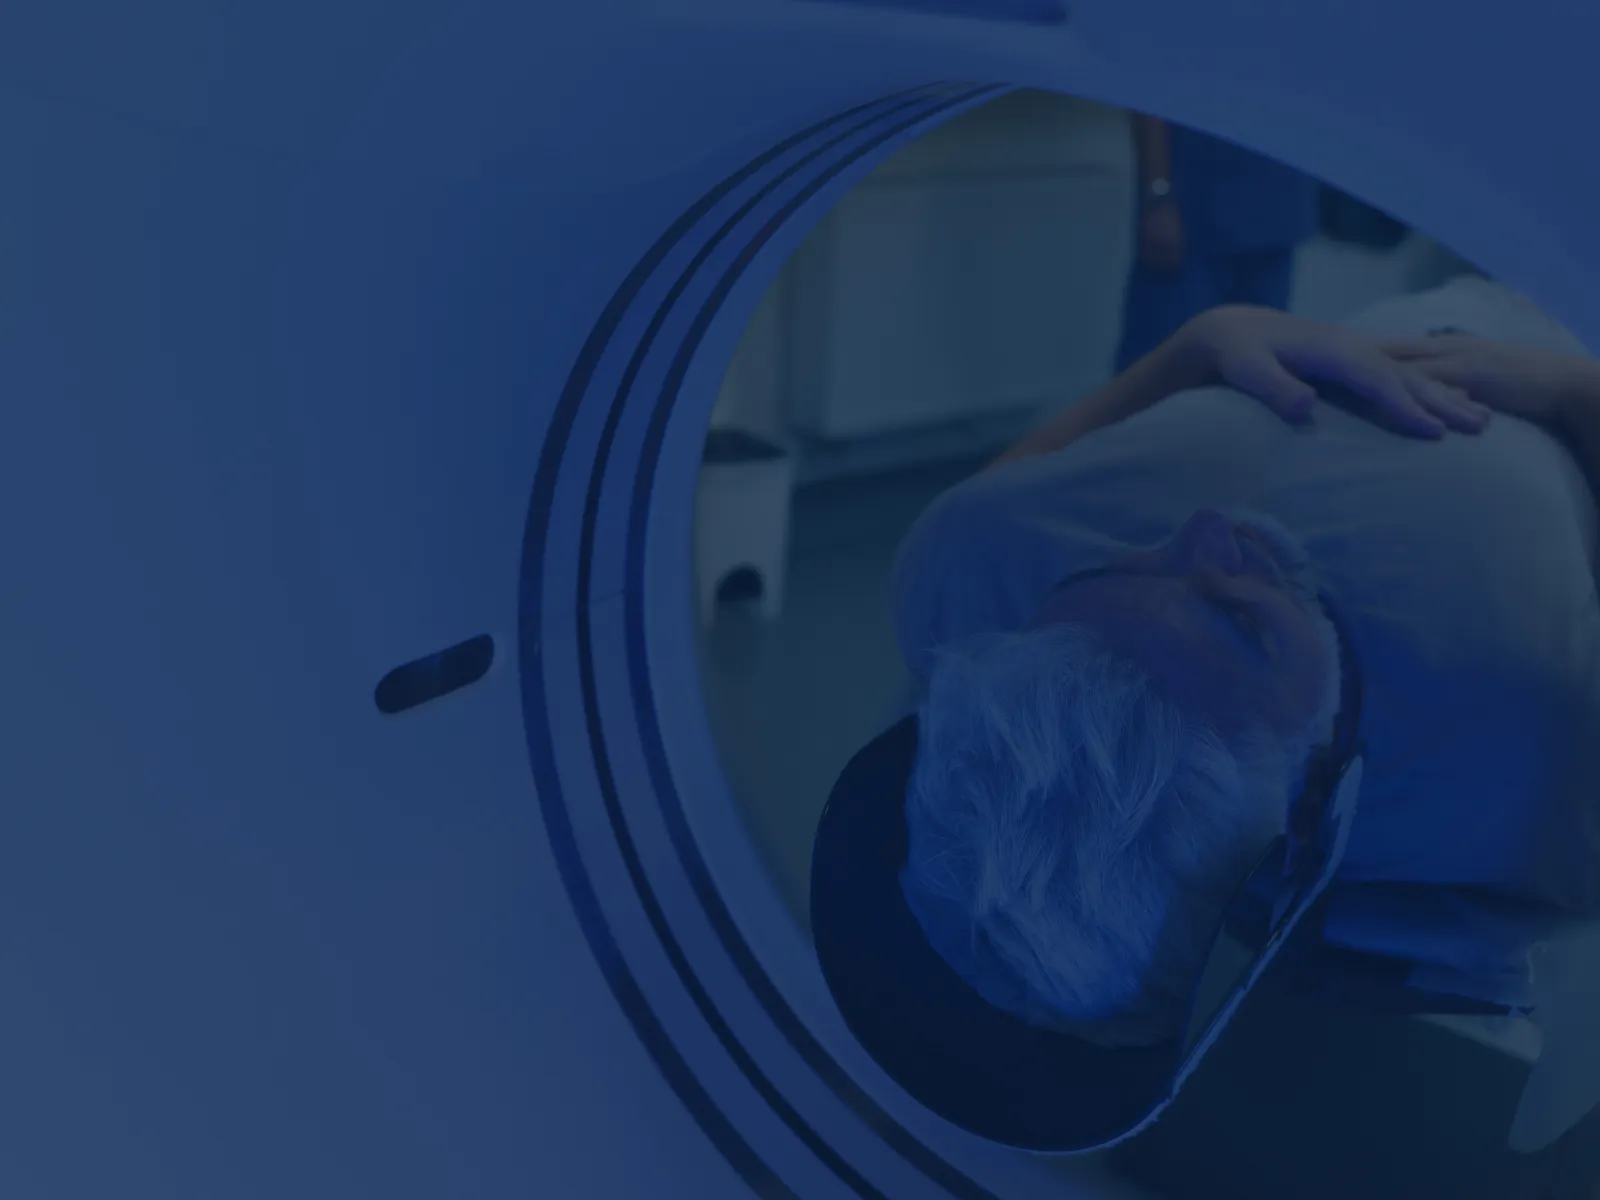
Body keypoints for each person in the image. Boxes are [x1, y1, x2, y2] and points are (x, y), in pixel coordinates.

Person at [889, 276, 1600, 1047]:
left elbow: (981, 516)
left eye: (1111, 570)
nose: (1202, 532)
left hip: (1403, 314)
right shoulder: (1551, 754)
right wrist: (1575, 393)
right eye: (1240, 620)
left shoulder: (978, 574)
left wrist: (1199, 345)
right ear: (1300, 818)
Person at [1115, 115, 1322, 373]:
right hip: (1194, 214)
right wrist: (1157, 193)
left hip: (1277, 211)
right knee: (1156, 374)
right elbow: (1151, 90)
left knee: (1257, 376)